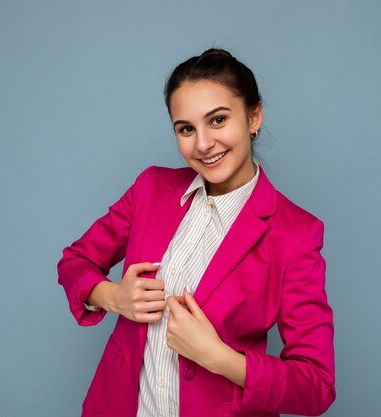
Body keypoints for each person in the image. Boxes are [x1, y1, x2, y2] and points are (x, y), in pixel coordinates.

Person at [57, 48, 336, 417]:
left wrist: (219, 357)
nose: (203, 144)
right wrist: (113, 296)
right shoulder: (151, 189)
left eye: (218, 120)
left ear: (254, 116)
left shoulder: (296, 233)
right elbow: (75, 261)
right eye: (186, 128)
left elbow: (315, 386)